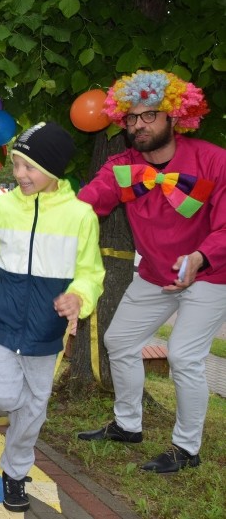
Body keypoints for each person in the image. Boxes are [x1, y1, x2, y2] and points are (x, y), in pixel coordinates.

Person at [76, 70, 225, 474]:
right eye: (131, 118)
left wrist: (200, 256)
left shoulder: (213, 160)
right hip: (155, 275)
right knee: (118, 341)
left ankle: (186, 448)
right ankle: (127, 425)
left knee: (183, 355)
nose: (138, 125)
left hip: (209, 275)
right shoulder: (122, 165)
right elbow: (87, 205)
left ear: (175, 117)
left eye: (149, 116)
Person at [0, 122, 105, 513]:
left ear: (52, 168)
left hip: (45, 328)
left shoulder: (81, 215)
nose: (19, 174)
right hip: (2, 321)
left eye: (28, 166)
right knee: (4, 397)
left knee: (34, 410)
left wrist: (78, 297)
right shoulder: (2, 207)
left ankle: (15, 473)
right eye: (17, 164)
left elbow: (91, 273)